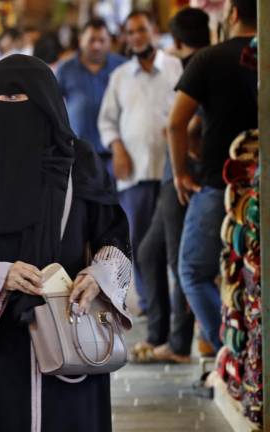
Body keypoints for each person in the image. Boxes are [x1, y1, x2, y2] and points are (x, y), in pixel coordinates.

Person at [0, 54, 132, 432]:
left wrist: (98, 275)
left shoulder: (79, 161)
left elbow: (113, 232)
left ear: (43, 101)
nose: (6, 110)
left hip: (72, 323)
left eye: (17, 100)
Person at [168, 0, 257, 352]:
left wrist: (179, 173)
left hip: (222, 184)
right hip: (260, 183)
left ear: (232, 14)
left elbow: (176, 124)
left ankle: (231, 353)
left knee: (192, 270)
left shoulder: (209, 59)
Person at [134, 7, 211, 364]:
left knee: (179, 261)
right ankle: (160, 336)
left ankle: (179, 344)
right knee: (150, 253)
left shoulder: (198, 65)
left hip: (180, 178)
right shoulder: (198, 63)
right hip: (173, 176)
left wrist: (183, 167)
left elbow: (182, 127)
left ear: (176, 40)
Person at [98, 10, 182, 316]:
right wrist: (117, 148)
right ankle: (150, 304)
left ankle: (175, 305)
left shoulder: (174, 67)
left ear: (154, 31)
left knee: (171, 245)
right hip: (134, 173)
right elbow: (106, 122)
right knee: (141, 244)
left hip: (171, 170)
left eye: (142, 31)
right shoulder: (119, 76)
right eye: (131, 33)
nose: (136, 38)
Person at [56, 18, 126, 175]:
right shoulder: (66, 68)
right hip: (78, 152)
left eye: (102, 40)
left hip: (117, 152)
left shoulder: (122, 67)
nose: (96, 45)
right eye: (91, 40)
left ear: (110, 41)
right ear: (81, 40)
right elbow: (53, 105)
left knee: (114, 199)